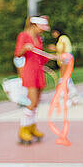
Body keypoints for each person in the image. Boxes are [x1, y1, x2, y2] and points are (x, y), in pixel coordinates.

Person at [14, 15, 50, 144]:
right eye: (41, 28)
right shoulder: (24, 35)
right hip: (30, 72)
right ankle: (23, 129)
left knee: (36, 103)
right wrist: (25, 48)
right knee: (32, 102)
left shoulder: (39, 38)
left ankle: (31, 127)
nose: (42, 31)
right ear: (35, 25)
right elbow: (18, 53)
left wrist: (52, 56)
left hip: (39, 71)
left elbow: (40, 57)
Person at [49, 27, 78, 106]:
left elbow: (63, 49)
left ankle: (65, 97)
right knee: (66, 78)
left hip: (66, 59)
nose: (53, 34)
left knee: (64, 78)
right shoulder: (62, 38)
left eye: (54, 32)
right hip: (65, 58)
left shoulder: (62, 38)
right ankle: (72, 97)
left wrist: (54, 50)